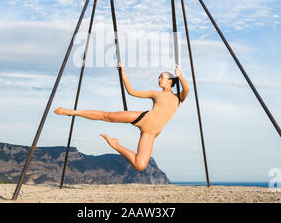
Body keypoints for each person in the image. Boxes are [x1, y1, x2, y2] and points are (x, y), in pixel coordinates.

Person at [54, 63, 190, 171]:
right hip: (143, 118)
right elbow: (131, 91)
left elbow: (187, 89)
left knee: (140, 165)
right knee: (107, 116)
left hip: (151, 132)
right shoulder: (155, 93)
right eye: (159, 77)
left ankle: (115, 144)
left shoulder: (178, 98)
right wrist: (123, 74)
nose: (159, 79)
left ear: (171, 81)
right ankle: (71, 112)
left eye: (162, 77)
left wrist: (180, 75)